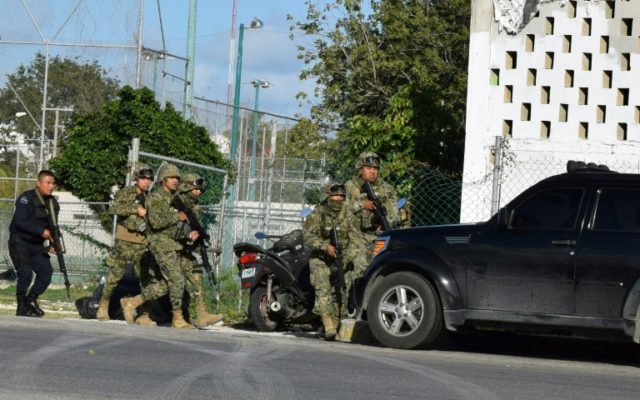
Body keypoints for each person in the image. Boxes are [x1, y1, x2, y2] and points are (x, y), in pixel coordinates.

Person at [96, 165, 154, 323]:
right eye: (143, 179)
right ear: (136, 179)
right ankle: (103, 306)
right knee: (115, 275)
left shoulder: (151, 197)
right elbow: (115, 208)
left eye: (149, 179)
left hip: (143, 242)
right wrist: (136, 209)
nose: (146, 182)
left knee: (146, 278)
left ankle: (144, 314)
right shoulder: (126, 192)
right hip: (124, 240)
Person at [303, 183, 358, 341]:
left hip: (342, 259)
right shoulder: (317, 215)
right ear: (327, 197)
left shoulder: (348, 216)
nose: (338, 199)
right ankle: (327, 324)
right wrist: (325, 246)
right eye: (335, 196)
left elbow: (355, 241)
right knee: (324, 290)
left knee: (341, 291)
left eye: (341, 196)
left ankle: (336, 324)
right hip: (320, 259)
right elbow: (307, 237)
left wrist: (345, 258)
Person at [143, 162, 193, 329]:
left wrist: (188, 233)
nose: (175, 180)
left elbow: (175, 226)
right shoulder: (155, 197)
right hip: (160, 244)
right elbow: (156, 223)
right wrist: (176, 217)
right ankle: (177, 317)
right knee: (177, 279)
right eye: (171, 177)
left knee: (167, 283)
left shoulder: (174, 198)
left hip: (173, 244)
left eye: (177, 178)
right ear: (163, 179)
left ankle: (133, 301)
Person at [174, 173, 224, 327]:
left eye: (200, 190)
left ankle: (202, 314)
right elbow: (167, 225)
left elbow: (193, 226)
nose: (199, 192)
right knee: (161, 286)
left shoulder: (195, 207)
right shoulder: (174, 202)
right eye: (196, 189)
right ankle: (134, 304)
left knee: (196, 274)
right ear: (187, 187)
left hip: (184, 249)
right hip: (169, 248)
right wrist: (186, 233)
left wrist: (195, 237)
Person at [8, 170, 60, 317]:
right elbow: (19, 222)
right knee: (25, 273)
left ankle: (31, 300)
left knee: (46, 272)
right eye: (48, 183)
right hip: (19, 242)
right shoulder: (26, 198)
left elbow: (53, 226)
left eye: (53, 183)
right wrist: (41, 231)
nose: (51, 186)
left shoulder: (53, 203)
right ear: (39, 183)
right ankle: (21, 306)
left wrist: (53, 243)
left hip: (37, 245)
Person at [344, 151, 400, 280]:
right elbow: (340, 210)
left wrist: (386, 224)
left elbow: (394, 214)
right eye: (368, 168)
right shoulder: (349, 187)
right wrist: (361, 204)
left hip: (379, 239)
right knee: (357, 274)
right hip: (354, 240)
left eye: (375, 168)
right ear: (360, 168)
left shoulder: (387, 190)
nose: (373, 171)